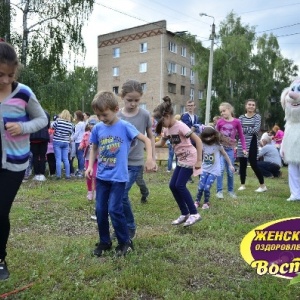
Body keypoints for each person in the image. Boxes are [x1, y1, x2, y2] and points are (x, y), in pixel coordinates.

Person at [85, 91, 156, 257]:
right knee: (100, 210)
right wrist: (90, 166)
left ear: (116, 109)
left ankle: (125, 242)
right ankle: (105, 242)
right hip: (102, 177)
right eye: (98, 115)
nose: (102, 118)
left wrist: (150, 158)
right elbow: (94, 147)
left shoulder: (124, 126)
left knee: (114, 209)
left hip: (118, 177)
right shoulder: (97, 128)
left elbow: (146, 139)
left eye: (105, 114)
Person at [0, 41, 48, 280]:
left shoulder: (24, 93)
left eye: (10, 74)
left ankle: (0, 259)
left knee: (0, 211)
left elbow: (42, 120)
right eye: (1, 74)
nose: (6, 80)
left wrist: (22, 126)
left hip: (14, 164)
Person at [154, 96, 203, 227]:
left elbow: (198, 141)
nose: (161, 124)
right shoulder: (166, 129)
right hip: (181, 159)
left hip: (191, 157)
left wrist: (199, 160)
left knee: (180, 185)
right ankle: (184, 213)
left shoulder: (181, 126)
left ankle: (194, 213)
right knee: (172, 185)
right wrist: (148, 143)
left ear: (168, 115)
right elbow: (161, 143)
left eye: (161, 121)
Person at [117, 80, 157, 231]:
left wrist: (151, 158)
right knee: (119, 196)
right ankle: (121, 225)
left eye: (136, 100)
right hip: (118, 162)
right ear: (122, 97)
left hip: (135, 163)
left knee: (121, 194)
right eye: (129, 100)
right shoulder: (117, 115)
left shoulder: (145, 114)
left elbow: (150, 137)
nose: (133, 104)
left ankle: (129, 226)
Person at [195, 127, 235, 209]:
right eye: (206, 136)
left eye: (210, 136)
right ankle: (197, 201)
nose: (208, 138)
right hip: (205, 169)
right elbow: (198, 155)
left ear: (214, 135)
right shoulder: (202, 144)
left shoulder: (218, 146)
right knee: (200, 187)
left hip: (214, 171)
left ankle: (206, 202)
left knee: (206, 188)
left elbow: (225, 154)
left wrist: (230, 165)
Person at [215, 102, 247, 199]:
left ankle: (230, 191)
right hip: (221, 149)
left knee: (230, 170)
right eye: (221, 112)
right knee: (220, 170)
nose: (222, 113)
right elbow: (215, 135)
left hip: (230, 150)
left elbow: (241, 135)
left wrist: (244, 148)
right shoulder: (219, 122)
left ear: (229, 109)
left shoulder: (236, 122)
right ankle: (219, 191)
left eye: (224, 111)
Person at [237, 99, 267, 192]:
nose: (251, 106)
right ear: (246, 106)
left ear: (255, 107)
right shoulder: (241, 117)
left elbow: (256, 130)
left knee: (253, 164)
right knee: (242, 164)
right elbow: (238, 130)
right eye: (249, 104)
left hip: (252, 141)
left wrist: (244, 129)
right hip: (242, 142)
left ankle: (262, 185)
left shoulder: (257, 117)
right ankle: (242, 184)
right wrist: (246, 129)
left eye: (253, 105)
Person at [79, 116, 98, 200]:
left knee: (96, 175)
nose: (92, 126)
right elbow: (83, 142)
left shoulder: (99, 133)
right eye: (91, 124)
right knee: (88, 175)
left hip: (97, 158)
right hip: (87, 157)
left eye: (94, 124)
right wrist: (81, 146)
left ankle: (97, 192)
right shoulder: (86, 134)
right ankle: (90, 191)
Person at [52, 110, 74, 180]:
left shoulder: (58, 121)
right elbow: (71, 132)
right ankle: (67, 175)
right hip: (65, 142)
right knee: (66, 159)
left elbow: (52, 126)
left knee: (58, 159)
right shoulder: (70, 124)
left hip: (57, 141)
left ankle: (58, 175)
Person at [30, 110, 50, 181]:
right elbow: (48, 126)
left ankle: (36, 174)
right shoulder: (46, 113)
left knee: (35, 156)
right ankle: (42, 174)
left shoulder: (30, 113)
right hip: (44, 137)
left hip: (33, 137)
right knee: (42, 156)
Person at [72, 110, 86, 178]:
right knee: (83, 156)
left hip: (78, 141)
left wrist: (71, 139)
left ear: (77, 116)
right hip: (83, 141)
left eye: (75, 115)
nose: (74, 117)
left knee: (80, 157)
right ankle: (82, 169)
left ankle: (81, 171)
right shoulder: (84, 123)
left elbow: (76, 134)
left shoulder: (78, 125)